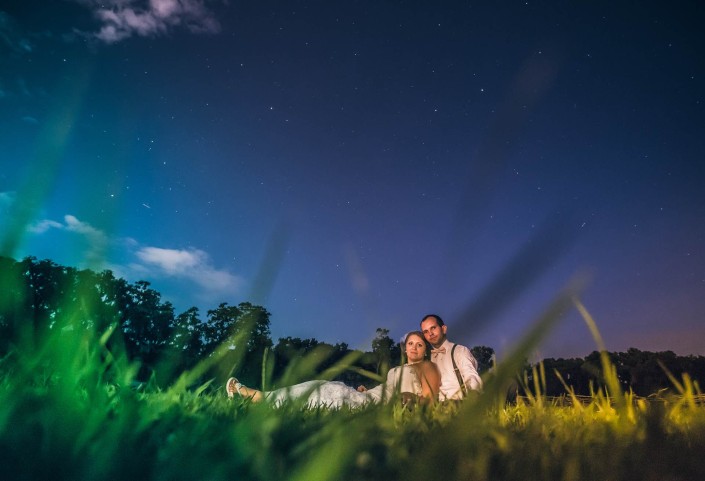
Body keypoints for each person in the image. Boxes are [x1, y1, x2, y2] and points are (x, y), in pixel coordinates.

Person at [226, 331, 440, 408]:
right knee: (321, 386)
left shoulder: (427, 366)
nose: (413, 348)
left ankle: (255, 396)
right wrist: (369, 390)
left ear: (425, 349)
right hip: (370, 396)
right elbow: (387, 386)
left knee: (326, 396)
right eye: (410, 343)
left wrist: (408, 398)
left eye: (419, 344)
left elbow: (429, 400)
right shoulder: (396, 369)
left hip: (381, 405)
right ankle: (259, 398)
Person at [420, 314, 482, 401]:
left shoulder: (460, 351)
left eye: (433, 328)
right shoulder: (427, 360)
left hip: (459, 404)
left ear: (444, 329)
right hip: (436, 409)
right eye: (426, 332)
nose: (430, 333)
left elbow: (471, 377)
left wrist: (473, 398)